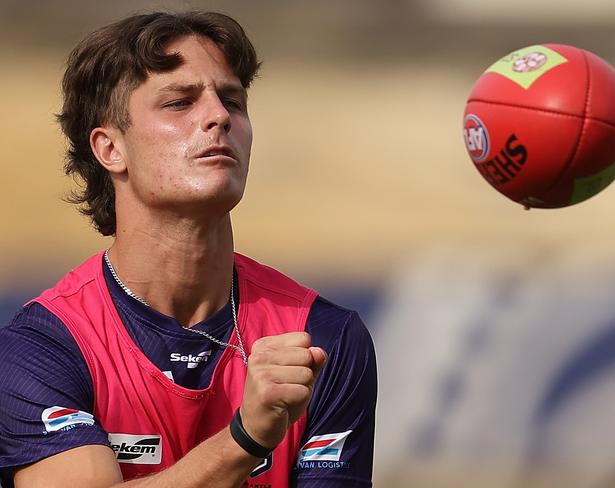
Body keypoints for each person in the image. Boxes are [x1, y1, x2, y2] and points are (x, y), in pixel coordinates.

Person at [0, 11, 376, 488]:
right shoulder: (44, 347)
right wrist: (245, 440)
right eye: (179, 103)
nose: (219, 116)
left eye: (234, 102)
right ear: (110, 149)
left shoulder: (323, 337)